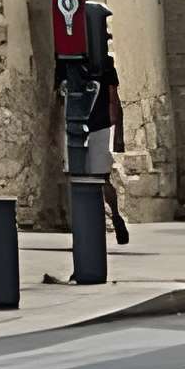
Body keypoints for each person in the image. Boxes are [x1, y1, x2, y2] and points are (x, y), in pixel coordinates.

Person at [84, 50, 131, 245]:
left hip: (88, 124)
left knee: (93, 176)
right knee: (102, 177)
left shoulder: (74, 62)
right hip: (100, 124)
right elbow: (113, 98)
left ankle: (108, 218)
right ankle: (114, 216)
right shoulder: (105, 61)